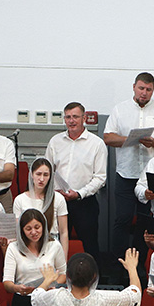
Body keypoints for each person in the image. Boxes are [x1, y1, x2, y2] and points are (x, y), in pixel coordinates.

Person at [103, 73, 154, 258]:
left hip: (152, 175)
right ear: (134, 87)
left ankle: (140, 264)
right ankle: (119, 263)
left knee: (146, 221)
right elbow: (108, 137)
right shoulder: (120, 109)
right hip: (126, 173)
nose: (144, 93)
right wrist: (129, 140)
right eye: (141, 88)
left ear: (153, 90)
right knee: (123, 219)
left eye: (148, 89)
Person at [45, 101, 107, 257]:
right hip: (58, 201)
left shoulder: (97, 144)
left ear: (84, 118)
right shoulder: (55, 141)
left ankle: (93, 273)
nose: (71, 121)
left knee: (90, 245)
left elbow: (100, 178)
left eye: (75, 117)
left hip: (84, 202)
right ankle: (57, 272)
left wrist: (79, 193)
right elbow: (46, 171)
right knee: (55, 245)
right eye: (68, 117)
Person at [13, 157, 69, 257]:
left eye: (46, 175)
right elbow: (18, 231)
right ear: (31, 174)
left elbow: (63, 232)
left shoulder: (58, 199)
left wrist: (64, 259)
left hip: (52, 246)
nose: (42, 179)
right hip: (28, 247)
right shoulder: (20, 200)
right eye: (38, 174)